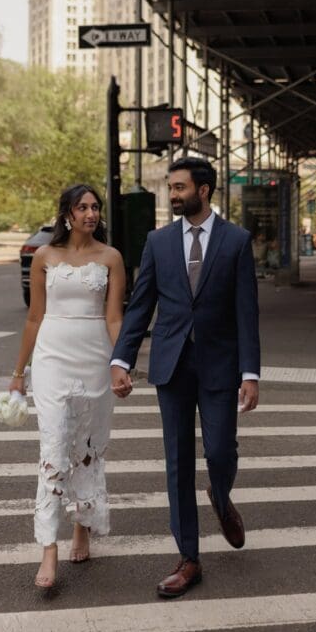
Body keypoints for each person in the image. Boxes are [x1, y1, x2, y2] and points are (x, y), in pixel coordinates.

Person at [111, 157, 260, 599]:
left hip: (220, 364)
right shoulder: (158, 242)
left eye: (179, 187)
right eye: (170, 188)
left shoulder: (236, 241)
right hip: (172, 365)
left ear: (205, 189)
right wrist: (122, 359)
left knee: (219, 451)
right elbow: (140, 307)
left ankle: (220, 492)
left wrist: (250, 373)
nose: (173, 194)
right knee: (177, 461)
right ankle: (189, 558)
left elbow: (246, 313)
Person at [9, 184, 126, 590]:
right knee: (54, 447)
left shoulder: (111, 258)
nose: (91, 214)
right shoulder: (45, 256)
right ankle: (48, 549)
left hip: (94, 357)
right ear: (67, 214)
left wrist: (120, 364)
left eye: (96, 207)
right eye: (83, 207)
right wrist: (18, 375)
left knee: (87, 449)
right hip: (52, 358)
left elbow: (114, 319)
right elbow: (33, 319)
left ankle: (82, 525)